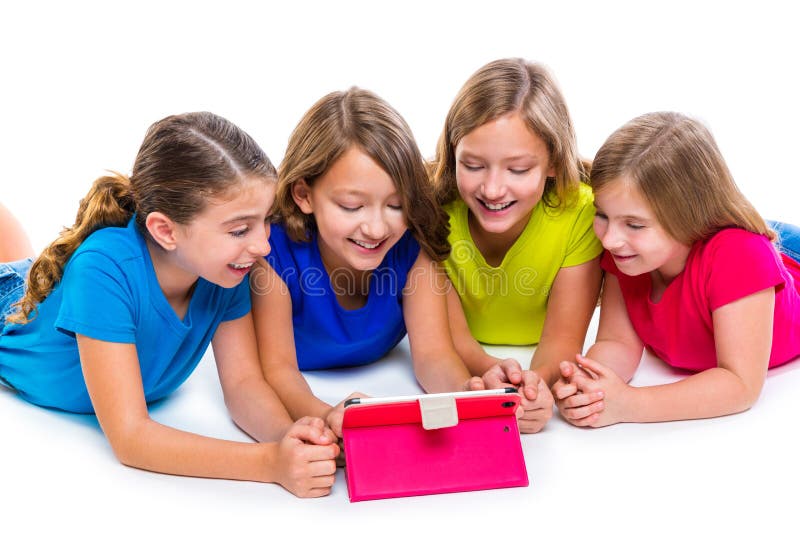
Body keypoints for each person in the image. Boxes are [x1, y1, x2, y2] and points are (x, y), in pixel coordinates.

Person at [0, 112, 338, 497]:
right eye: (240, 229)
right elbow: (130, 437)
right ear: (165, 230)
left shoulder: (224, 270)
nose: (263, 245)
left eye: (267, 221)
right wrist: (269, 464)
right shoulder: (102, 270)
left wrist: (287, 438)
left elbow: (244, 384)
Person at [251, 88, 484, 437]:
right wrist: (329, 417)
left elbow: (434, 355)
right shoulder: (271, 254)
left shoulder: (411, 246)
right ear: (304, 195)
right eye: (351, 206)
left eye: (395, 205)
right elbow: (279, 371)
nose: (376, 228)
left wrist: (466, 399)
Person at [554, 111, 800, 426]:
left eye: (634, 224)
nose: (611, 239)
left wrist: (629, 404)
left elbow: (740, 384)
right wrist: (589, 385)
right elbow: (617, 342)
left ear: (689, 218)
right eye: (601, 215)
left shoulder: (742, 256)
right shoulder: (628, 253)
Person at [430, 58, 604, 432]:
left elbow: (562, 341)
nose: (492, 189)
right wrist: (488, 375)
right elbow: (451, 339)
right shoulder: (432, 212)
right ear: (453, 153)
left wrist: (533, 387)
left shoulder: (581, 215)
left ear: (554, 163)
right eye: (473, 165)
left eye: (518, 170)